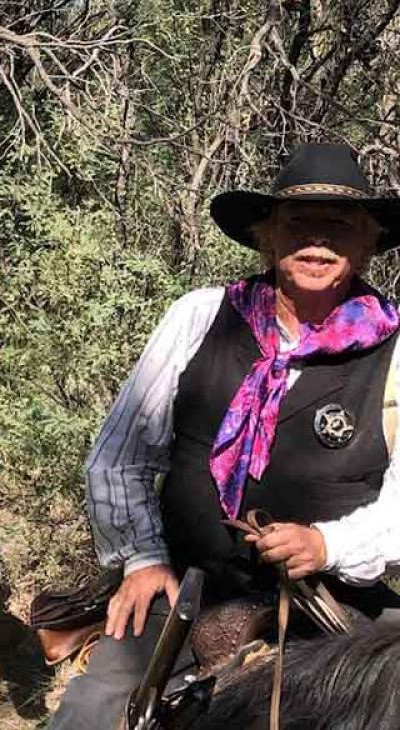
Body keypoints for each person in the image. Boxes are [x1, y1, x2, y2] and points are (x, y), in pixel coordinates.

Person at [49, 142, 400, 728]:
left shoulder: (396, 350)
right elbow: (118, 459)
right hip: (189, 583)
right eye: (299, 224)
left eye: (339, 227)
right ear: (267, 236)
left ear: (366, 243)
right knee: (93, 706)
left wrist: (327, 545)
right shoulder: (201, 316)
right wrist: (141, 560)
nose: (318, 242)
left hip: (335, 599)